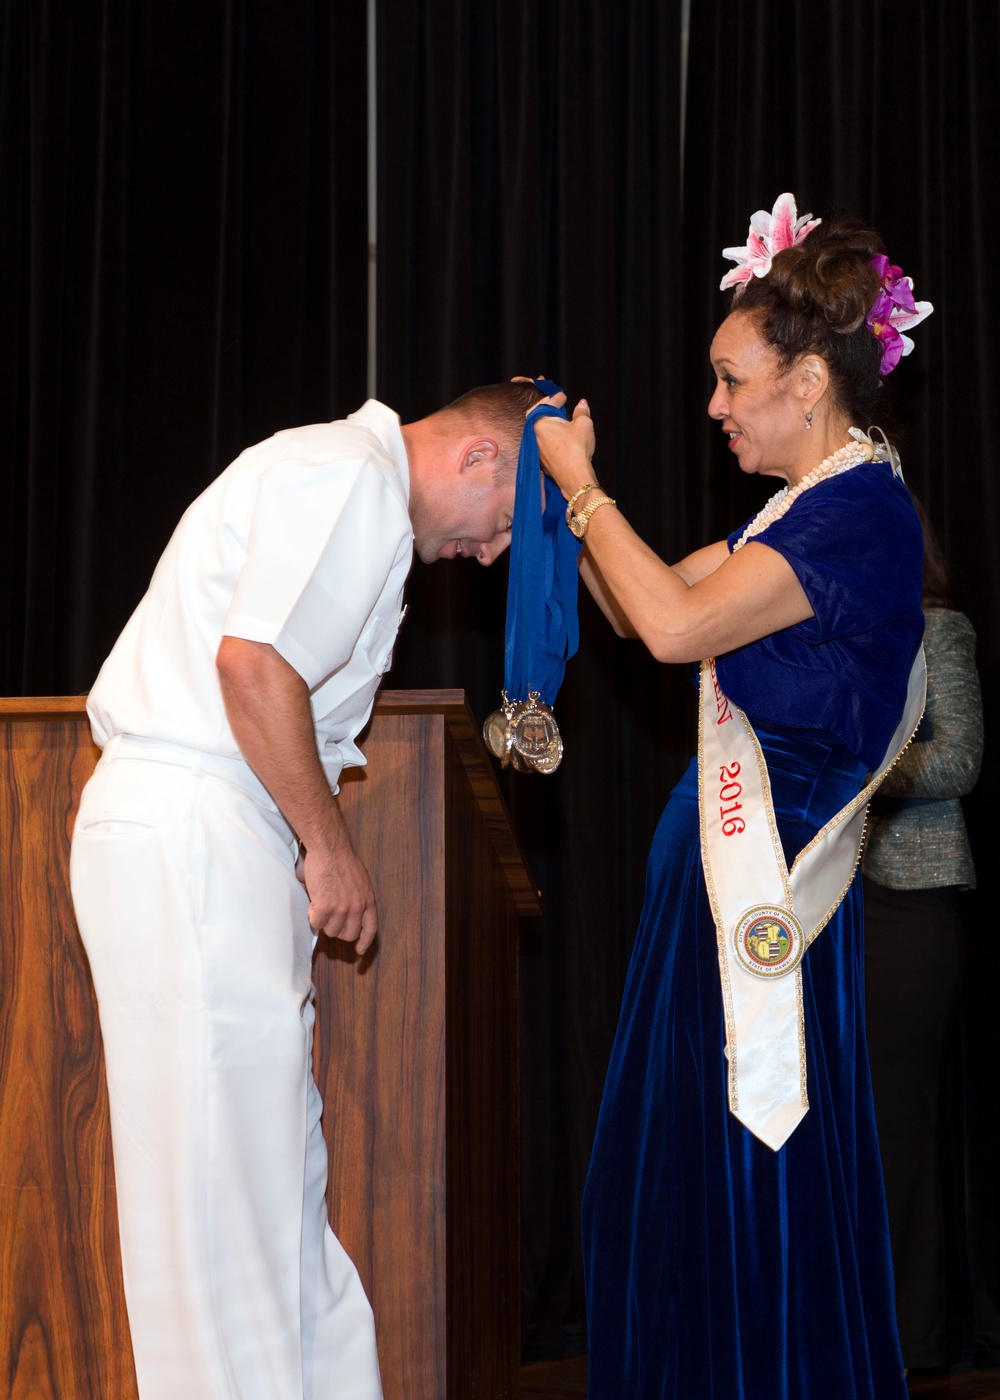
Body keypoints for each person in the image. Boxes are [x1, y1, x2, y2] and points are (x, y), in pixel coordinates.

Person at [69, 380, 543, 1400]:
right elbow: (254, 669)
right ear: (477, 457)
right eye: (509, 522)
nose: (495, 553)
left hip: (227, 836)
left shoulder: (350, 484)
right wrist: (328, 849)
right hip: (195, 819)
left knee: (277, 1202)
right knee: (217, 1216)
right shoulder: (351, 481)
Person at [534, 196, 929, 1398]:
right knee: (671, 1183)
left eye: (728, 379)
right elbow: (624, 598)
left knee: (750, 1179)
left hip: (769, 912)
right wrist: (566, 490)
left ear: (808, 382)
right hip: (707, 901)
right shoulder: (790, 514)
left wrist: (584, 488)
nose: (712, 407)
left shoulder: (859, 515)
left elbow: (669, 625)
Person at [863, 501, 983, 1373]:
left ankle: (912, 1343)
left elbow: (959, 759)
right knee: (847, 1127)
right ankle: (853, 1329)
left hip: (912, 904)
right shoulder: (824, 628)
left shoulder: (939, 627)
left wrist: (859, 763)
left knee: (900, 1129)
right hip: (825, 908)